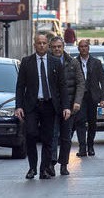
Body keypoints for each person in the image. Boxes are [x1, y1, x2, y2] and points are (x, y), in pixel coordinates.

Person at [15, 34, 69, 180]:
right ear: (35, 45)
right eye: (39, 43)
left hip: (49, 105)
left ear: (47, 45)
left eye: (44, 43)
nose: (42, 46)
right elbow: (20, 86)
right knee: (31, 135)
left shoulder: (56, 62)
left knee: (48, 138)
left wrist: (66, 107)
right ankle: (32, 168)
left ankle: (44, 168)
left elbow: (62, 87)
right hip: (32, 106)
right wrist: (18, 106)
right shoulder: (26, 62)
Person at [48, 36, 85, 176]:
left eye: (59, 46)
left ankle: (64, 164)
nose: (57, 49)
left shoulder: (73, 62)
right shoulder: (47, 63)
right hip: (52, 106)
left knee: (66, 137)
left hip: (69, 107)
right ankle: (51, 164)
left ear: (63, 47)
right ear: (51, 48)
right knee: (52, 136)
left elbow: (81, 83)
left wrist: (77, 101)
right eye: (54, 47)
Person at [75, 39, 104, 157]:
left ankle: (90, 146)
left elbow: (103, 80)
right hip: (80, 97)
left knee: (92, 122)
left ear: (88, 48)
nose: (83, 48)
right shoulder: (74, 62)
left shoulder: (96, 63)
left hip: (93, 96)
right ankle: (82, 148)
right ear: (78, 48)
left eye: (85, 46)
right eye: (81, 46)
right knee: (80, 121)